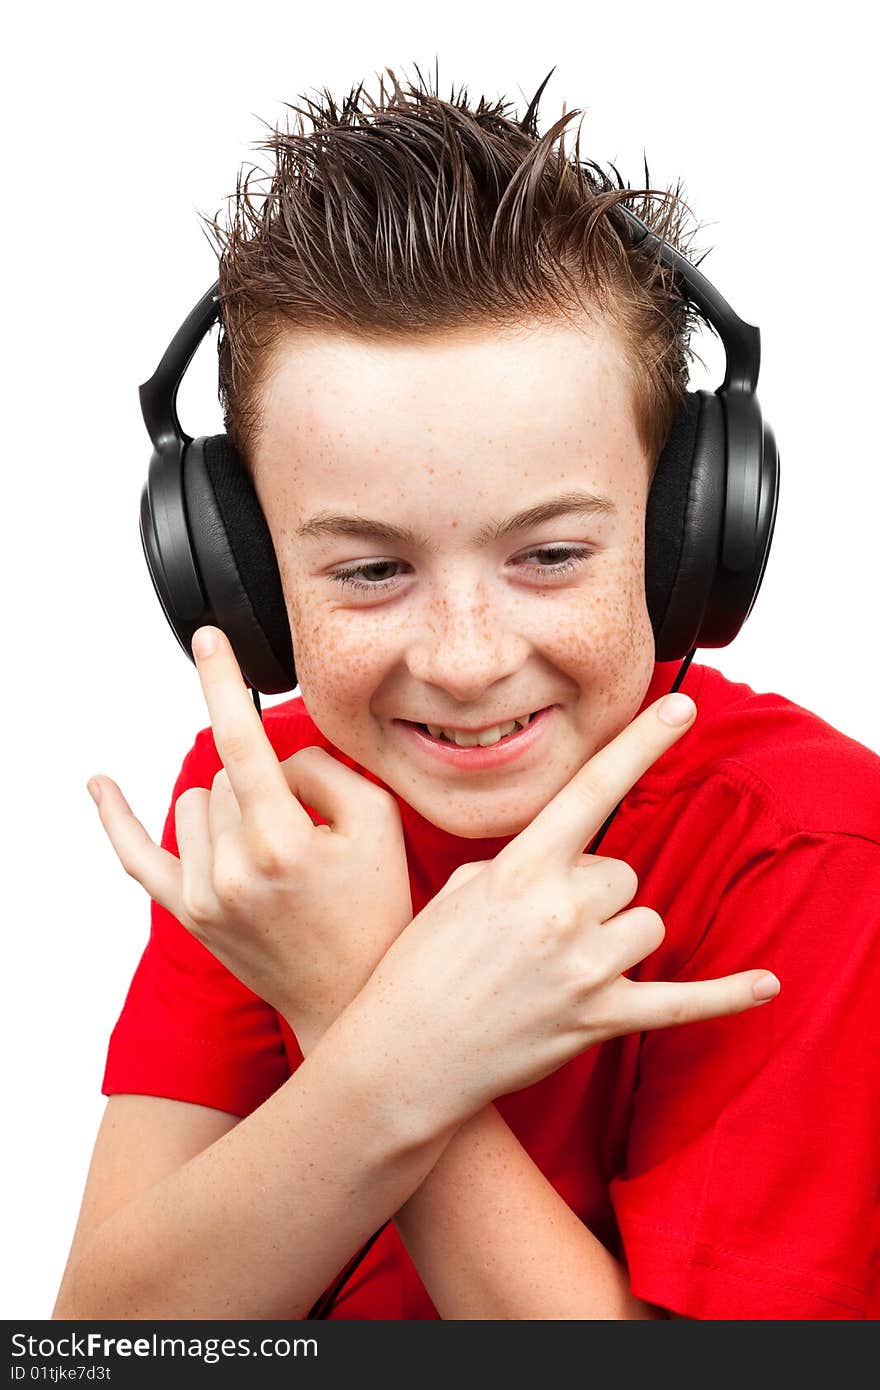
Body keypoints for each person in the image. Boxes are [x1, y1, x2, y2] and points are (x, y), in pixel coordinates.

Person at [53, 66, 880, 1321]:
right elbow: (107, 1347)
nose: (465, 655)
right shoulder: (274, 814)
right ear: (242, 572)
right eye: (371, 569)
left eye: (549, 554)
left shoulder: (811, 844)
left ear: (683, 533)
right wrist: (394, 1040)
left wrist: (350, 994)